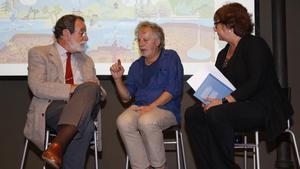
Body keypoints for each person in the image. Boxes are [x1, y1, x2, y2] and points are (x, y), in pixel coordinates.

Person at [184, 3, 294, 169]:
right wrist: (211, 98)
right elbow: (221, 83)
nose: (215, 29)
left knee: (216, 113)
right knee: (193, 114)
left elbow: (256, 81)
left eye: (216, 24)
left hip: (262, 105)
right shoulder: (223, 53)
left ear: (230, 25)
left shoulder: (255, 44)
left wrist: (224, 101)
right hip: (236, 105)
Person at [23, 14, 106, 169]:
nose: (86, 38)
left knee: (91, 88)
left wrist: (92, 90)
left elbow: (99, 92)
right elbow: (37, 86)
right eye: (82, 32)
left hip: (84, 106)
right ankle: (58, 148)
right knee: (86, 126)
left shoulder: (86, 60)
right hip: (53, 107)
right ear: (66, 34)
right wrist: (74, 89)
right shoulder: (39, 53)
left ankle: (56, 147)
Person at [110, 21, 184, 169]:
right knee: (123, 121)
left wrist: (150, 107)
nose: (141, 43)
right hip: (141, 107)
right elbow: (126, 97)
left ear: (157, 42)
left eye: (145, 40)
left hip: (166, 108)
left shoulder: (170, 57)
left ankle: (159, 167)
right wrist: (118, 79)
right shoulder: (137, 65)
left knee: (147, 121)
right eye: (139, 40)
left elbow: (171, 92)